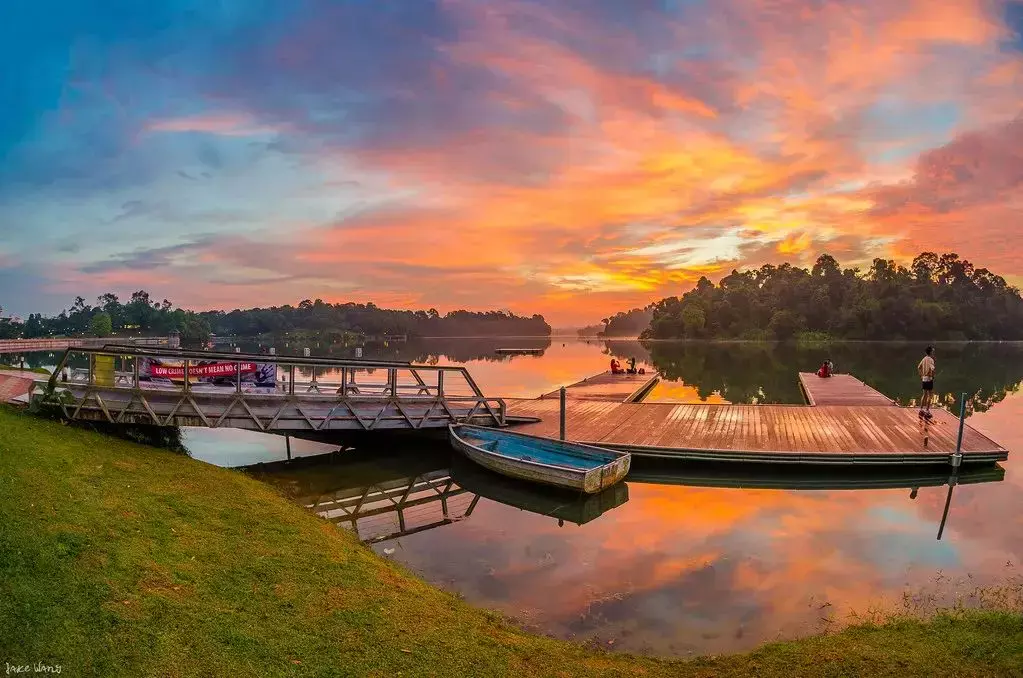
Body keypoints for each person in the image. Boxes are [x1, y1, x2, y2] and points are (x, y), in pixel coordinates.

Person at [918, 346, 936, 420]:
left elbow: (919, 367)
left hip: (924, 379)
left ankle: (921, 409)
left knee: (924, 394)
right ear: (931, 352)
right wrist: (933, 375)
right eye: (933, 351)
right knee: (930, 395)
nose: (933, 352)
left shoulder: (924, 358)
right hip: (929, 379)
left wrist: (921, 375)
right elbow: (932, 369)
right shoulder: (931, 360)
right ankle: (927, 411)